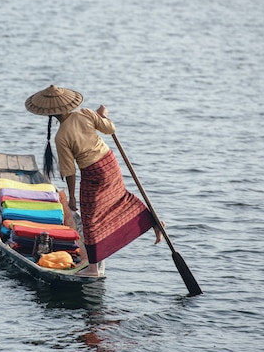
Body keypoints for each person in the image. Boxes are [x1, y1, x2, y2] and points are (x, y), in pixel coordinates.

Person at [25, 84, 162, 276]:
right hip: (109, 162)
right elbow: (109, 128)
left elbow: (69, 171)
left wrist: (71, 197)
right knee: (121, 198)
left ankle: (93, 268)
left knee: (89, 218)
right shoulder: (85, 113)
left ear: (51, 114)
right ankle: (153, 221)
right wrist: (102, 116)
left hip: (93, 171)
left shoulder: (61, 136)